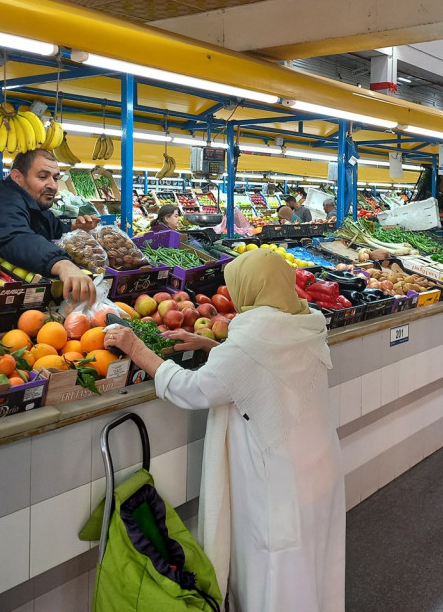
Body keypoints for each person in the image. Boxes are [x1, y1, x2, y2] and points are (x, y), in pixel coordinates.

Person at [104, 249, 345, 612]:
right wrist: (215, 347)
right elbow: (267, 371)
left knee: (275, 571)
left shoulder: (253, 338)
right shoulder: (302, 321)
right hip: (318, 467)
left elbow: (193, 389)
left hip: (277, 482)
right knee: (312, 561)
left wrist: (137, 348)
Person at [0, 148, 100, 304]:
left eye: (55, 178)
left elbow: (54, 231)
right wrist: (62, 264)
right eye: (42, 177)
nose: (53, 186)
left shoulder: (34, 204)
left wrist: (75, 232)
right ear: (17, 177)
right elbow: (16, 237)